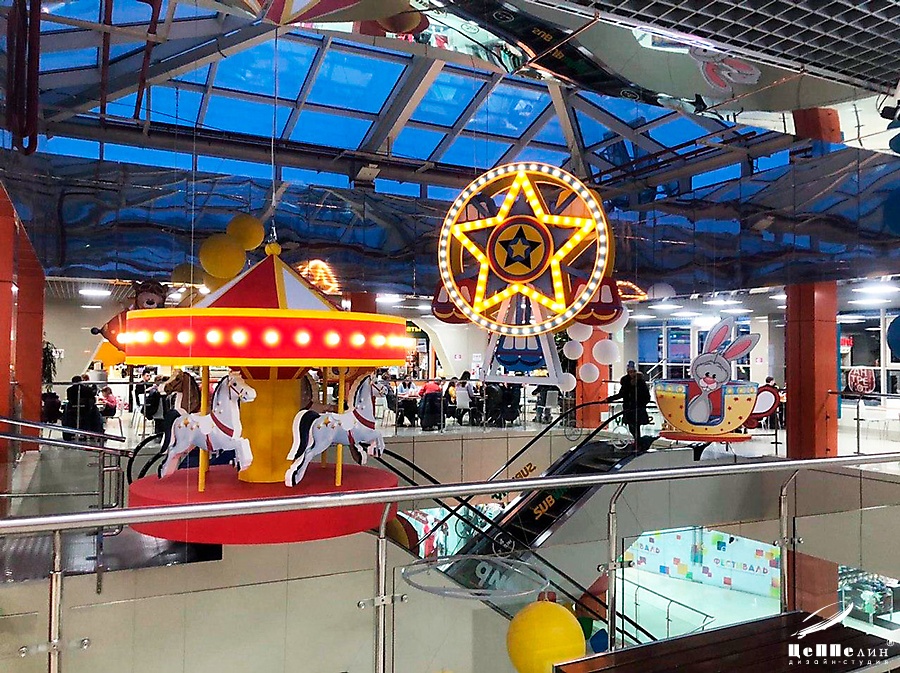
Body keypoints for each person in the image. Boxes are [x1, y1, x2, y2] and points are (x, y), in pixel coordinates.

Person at [605, 361, 651, 446]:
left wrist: (641, 404)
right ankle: (638, 442)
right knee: (633, 427)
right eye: (630, 371)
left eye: (632, 371)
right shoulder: (626, 381)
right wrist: (610, 399)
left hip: (636, 408)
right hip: (630, 408)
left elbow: (646, 396)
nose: (631, 373)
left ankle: (638, 443)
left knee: (635, 426)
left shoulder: (640, 382)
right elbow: (622, 394)